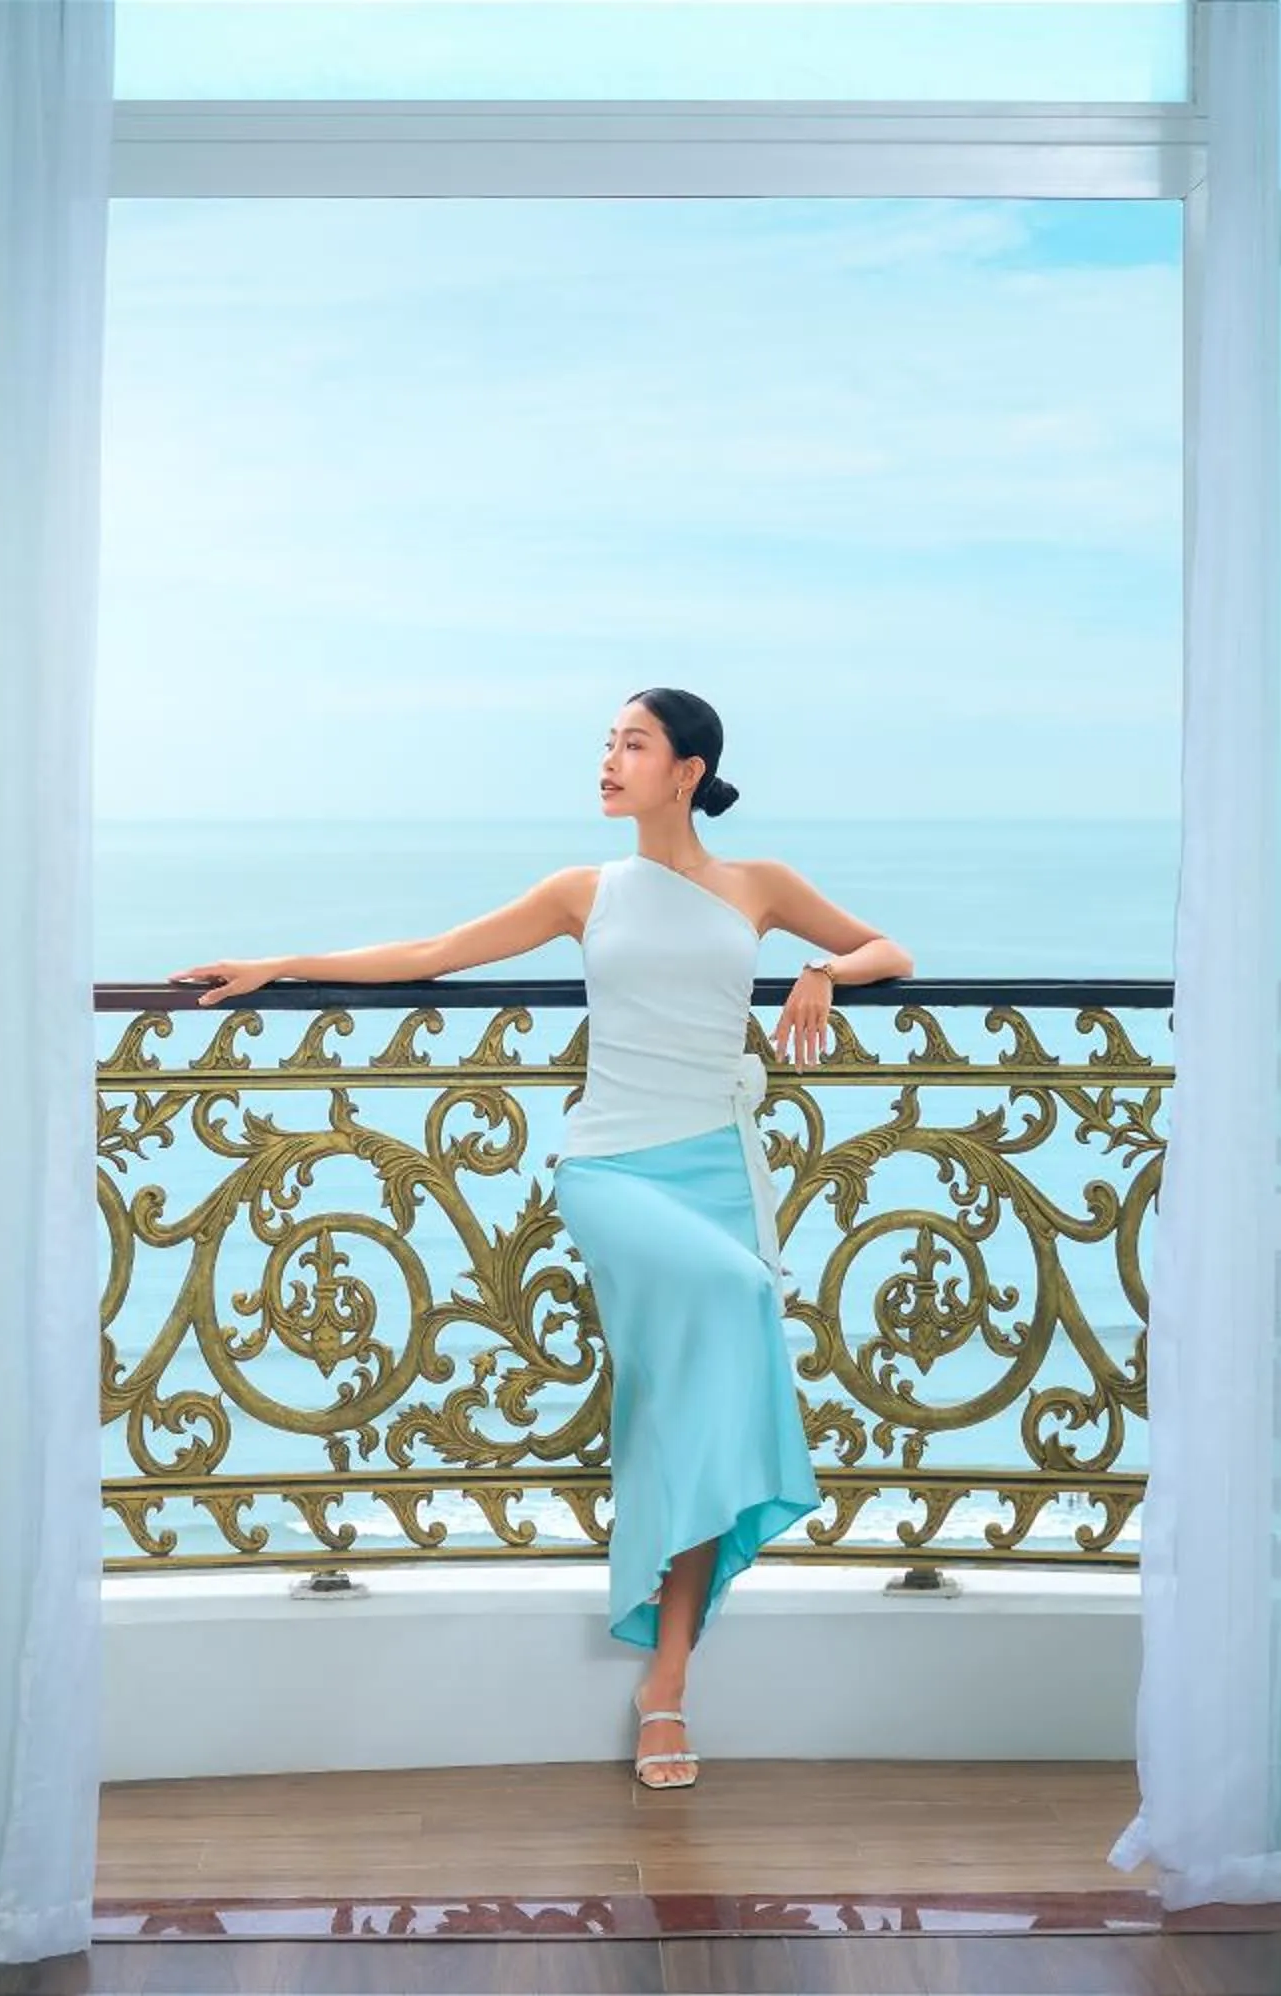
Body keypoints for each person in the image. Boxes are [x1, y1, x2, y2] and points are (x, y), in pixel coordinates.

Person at [170, 687, 914, 1790]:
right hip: (611, 1170)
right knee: (735, 1302)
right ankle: (666, 1666)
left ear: (687, 774)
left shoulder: (758, 887)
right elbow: (435, 954)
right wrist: (282, 964)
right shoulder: (585, 891)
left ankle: (665, 1683)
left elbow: (887, 949)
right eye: (608, 741)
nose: (609, 759)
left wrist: (821, 970)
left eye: (633, 744)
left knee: (679, 1407)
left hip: (714, 1171)